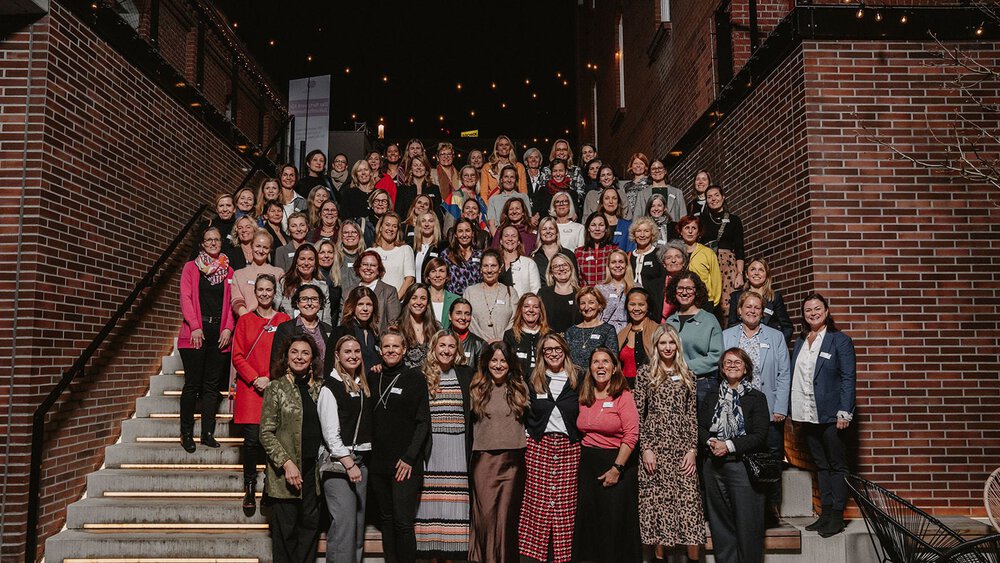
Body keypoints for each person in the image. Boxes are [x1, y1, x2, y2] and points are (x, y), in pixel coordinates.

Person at [635, 325, 705, 563]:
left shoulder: (687, 373)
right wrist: (645, 449)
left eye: (671, 343)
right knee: (656, 508)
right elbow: (638, 415)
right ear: (656, 345)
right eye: (662, 343)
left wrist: (692, 450)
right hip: (654, 447)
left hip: (682, 447)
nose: (667, 347)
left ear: (677, 345)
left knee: (690, 507)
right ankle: (658, 557)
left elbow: (692, 415)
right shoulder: (646, 373)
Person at [723, 290, 791, 527]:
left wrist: (781, 406)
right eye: (747, 307)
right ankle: (740, 509)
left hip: (768, 407)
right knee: (738, 457)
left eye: (757, 307)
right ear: (739, 311)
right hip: (735, 408)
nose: (752, 311)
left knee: (771, 457)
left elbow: (784, 374)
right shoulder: (727, 335)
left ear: (763, 312)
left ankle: (771, 510)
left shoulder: (775, 336)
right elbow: (721, 373)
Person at [792, 293, 856, 538]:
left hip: (832, 414)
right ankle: (826, 512)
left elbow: (848, 379)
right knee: (820, 465)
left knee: (837, 465)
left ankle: (838, 515)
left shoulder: (839, 340)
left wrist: (845, 411)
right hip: (808, 413)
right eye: (808, 310)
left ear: (827, 311)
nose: (813, 313)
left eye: (817, 308)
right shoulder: (801, 339)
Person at [699, 347, 770, 563]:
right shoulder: (712, 396)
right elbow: (700, 427)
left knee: (748, 525)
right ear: (721, 368)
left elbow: (759, 435)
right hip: (713, 466)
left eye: (737, 362)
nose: (732, 365)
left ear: (746, 368)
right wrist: (711, 442)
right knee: (721, 526)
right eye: (727, 362)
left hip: (742, 466)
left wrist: (728, 445)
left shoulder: (756, 397)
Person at [259, 334, 324, 563]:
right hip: (284, 473)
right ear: (286, 357)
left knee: (310, 527)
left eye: (305, 352)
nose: (299, 357)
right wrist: (287, 464)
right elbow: (265, 432)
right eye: (294, 352)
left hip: (313, 472)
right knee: (285, 533)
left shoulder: (320, 388)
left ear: (312, 358)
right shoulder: (276, 388)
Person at [572, 347, 641, 563]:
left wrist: (617, 468)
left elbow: (631, 434)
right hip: (588, 466)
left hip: (615, 465)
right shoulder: (585, 395)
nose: (600, 366)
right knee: (590, 523)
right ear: (590, 368)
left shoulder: (623, 395)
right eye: (595, 362)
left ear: (614, 368)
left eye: (605, 362)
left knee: (612, 524)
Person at [519, 333, 582, 563]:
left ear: (565, 350)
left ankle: (562, 557)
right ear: (542, 354)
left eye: (557, 349)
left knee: (565, 507)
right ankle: (533, 557)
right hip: (539, 446)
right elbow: (525, 412)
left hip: (569, 448)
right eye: (547, 350)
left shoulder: (578, 377)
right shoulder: (534, 378)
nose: (553, 353)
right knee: (536, 504)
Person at [369, 328, 430, 563]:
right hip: (378, 463)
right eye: (387, 347)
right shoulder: (372, 376)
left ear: (404, 350)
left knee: (403, 522)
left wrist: (409, 458)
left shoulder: (415, 378)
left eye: (396, 346)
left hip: (405, 463)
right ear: (380, 351)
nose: (391, 350)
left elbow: (423, 422)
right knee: (385, 518)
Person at [232, 273, 290, 512]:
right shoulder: (245, 321)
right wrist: (255, 378)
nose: (265, 294)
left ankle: (269, 487)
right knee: (252, 440)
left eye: (269, 290)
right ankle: (248, 487)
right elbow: (237, 355)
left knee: (274, 440)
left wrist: (270, 377)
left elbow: (288, 355)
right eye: (261, 290)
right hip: (251, 389)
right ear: (255, 293)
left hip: (274, 387)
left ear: (274, 292)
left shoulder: (284, 319)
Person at [468, 342, 529, 563]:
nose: (498, 365)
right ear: (486, 363)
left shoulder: (521, 387)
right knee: (484, 518)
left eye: (503, 360)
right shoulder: (476, 387)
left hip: (512, 461)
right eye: (494, 360)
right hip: (483, 460)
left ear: (510, 364)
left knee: (505, 519)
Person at [415, 331, 474, 559]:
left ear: (457, 350)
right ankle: (431, 552)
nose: (447, 350)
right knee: (430, 504)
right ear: (434, 348)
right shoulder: (422, 375)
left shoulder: (466, 374)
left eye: (451, 346)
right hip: (432, 448)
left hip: (458, 447)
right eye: (442, 345)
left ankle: (454, 553)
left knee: (455, 504)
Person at [177, 226, 234, 453]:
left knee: (211, 387)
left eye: (216, 239)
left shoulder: (229, 271)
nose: (212, 243)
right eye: (208, 239)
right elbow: (186, 297)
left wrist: (229, 328)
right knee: (193, 385)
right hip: (195, 333)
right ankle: (186, 433)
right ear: (202, 244)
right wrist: (195, 326)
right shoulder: (191, 268)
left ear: (221, 243)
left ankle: (207, 433)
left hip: (219, 334)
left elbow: (231, 303)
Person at [319, 335, 373, 563]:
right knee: (344, 527)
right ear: (337, 356)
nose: (353, 356)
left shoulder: (360, 384)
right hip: (339, 465)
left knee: (358, 528)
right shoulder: (329, 387)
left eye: (357, 351)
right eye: (347, 352)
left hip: (361, 460)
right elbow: (331, 435)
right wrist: (349, 463)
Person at [664, 271, 724, 406]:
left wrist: (683, 366)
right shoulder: (670, 321)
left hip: (701, 386)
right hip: (673, 383)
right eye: (680, 288)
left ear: (696, 291)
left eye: (689, 288)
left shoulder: (708, 320)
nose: (684, 292)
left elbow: (717, 356)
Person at [700, 185, 746, 325]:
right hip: (708, 264)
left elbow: (739, 248)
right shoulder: (701, 220)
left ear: (723, 197)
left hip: (727, 266)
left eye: (716, 195)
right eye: (709, 197)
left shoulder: (734, 220)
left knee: (728, 304)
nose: (713, 199)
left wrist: (740, 273)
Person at [727, 258, 794, 342]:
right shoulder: (736, 296)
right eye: (753, 269)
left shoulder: (775, 297)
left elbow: (787, 327)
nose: (757, 273)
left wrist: (778, 345)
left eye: (761, 270)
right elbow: (732, 325)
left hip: (769, 344)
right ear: (747, 274)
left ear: (766, 275)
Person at [270, 284, 333, 373]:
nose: (309, 303)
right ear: (297, 303)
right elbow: (277, 361)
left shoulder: (328, 329)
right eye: (304, 299)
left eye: (314, 299)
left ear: (320, 303)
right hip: (295, 383)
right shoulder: (286, 328)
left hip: (324, 383)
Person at [463, 249, 518, 343]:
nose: (489, 270)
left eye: (493, 266)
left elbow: (515, 319)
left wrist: (500, 340)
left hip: (503, 346)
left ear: (500, 268)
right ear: (480, 269)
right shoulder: (470, 292)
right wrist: (484, 341)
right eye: (485, 266)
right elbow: (469, 320)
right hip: (478, 345)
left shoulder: (510, 292)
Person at [328, 286, 381, 380]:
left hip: (372, 387)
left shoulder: (374, 333)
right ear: (352, 306)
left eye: (369, 304)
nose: (365, 309)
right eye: (360, 304)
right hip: (349, 387)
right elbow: (329, 366)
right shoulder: (340, 332)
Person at [230, 230, 285, 317]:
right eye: (258, 246)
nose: (261, 250)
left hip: (272, 323)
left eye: (265, 247)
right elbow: (237, 301)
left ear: (270, 250)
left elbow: (282, 302)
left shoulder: (278, 273)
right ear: (251, 246)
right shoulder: (239, 274)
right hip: (248, 322)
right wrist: (250, 320)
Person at [276, 244, 334, 325]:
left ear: (315, 263)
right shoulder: (284, 283)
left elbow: (326, 319)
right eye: (302, 259)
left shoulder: (322, 287)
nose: (306, 263)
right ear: (296, 261)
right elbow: (274, 311)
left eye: (310, 259)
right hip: (288, 332)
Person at [564, 286, 619, 369]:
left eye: (591, 302)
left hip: (598, 378)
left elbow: (612, 359)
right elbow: (566, 360)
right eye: (583, 303)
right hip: (574, 378)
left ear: (599, 305)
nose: (586, 307)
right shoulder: (571, 331)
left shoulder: (608, 330)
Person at [677, 215, 722, 311]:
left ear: (698, 232)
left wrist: (714, 303)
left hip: (704, 303)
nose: (690, 231)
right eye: (686, 228)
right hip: (682, 301)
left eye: (694, 228)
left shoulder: (708, 253)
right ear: (681, 231)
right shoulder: (676, 253)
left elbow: (716, 279)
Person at [617, 288, 659, 386]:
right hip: (625, 388)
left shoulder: (657, 331)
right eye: (632, 304)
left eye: (641, 304)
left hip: (651, 387)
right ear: (627, 306)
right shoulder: (622, 334)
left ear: (648, 307)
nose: (636, 309)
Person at [352, 250, 401, 335]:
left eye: (373, 265)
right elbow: (343, 320)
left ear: (378, 270)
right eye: (364, 264)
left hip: (379, 342)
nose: (368, 268)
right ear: (359, 267)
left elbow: (393, 323)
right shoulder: (348, 291)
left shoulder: (389, 291)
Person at [503, 293, 548, 377]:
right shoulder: (510, 335)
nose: (531, 310)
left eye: (535, 307)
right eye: (526, 306)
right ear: (520, 309)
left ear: (540, 311)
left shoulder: (548, 335)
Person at [395, 283, 441, 369]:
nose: (418, 302)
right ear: (408, 301)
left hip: (431, 378)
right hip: (405, 377)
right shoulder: (397, 328)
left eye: (423, 298)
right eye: (414, 298)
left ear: (428, 303)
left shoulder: (437, 327)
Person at [372, 212, 415, 299]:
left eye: (394, 226)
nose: (390, 229)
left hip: (398, 302)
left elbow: (410, 279)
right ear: (380, 227)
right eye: (387, 225)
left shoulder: (405, 250)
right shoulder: (371, 251)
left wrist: (395, 300)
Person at [537, 254, 583, 333]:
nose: (561, 269)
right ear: (551, 272)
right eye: (556, 266)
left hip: (575, 341)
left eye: (564, 265)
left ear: (571, 268)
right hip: (550, 341)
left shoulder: (581, 293)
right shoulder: (543, 294)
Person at [531, 216, 579, 289]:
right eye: (544, 229)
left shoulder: (568, 254)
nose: (548, 231)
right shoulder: (534, 257)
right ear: (540, 233)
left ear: (556, 232)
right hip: (542, 297)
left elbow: (575, 280)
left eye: (551, 228)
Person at [440, 218, 484, 296]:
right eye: (460, 231)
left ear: (472, 233)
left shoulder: (480, 255)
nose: (464, 235)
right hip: (454, 299)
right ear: (456, 234)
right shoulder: (446, 254)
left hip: (476, 298)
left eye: (467, 231)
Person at [596, 248, 636, 332]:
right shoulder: (599, 288)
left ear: (626, 265)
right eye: (613, 262)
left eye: (621, 262)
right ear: (608, 266)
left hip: (629, 331)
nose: (617, 265)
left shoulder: (636, 288)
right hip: (605, 332)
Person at [395, 155, 443, 225]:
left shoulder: (434, 189)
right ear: (411, 169)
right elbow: (398, 214)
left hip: (429, 228)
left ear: (426, 168)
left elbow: (438, 214)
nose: (418, 168)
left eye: (421, 165)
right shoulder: (402, 189)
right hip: (407, 228)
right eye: (415, 165)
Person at [575, 213, 618, 287]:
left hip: (608, 295)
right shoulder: (579, 252)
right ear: (588, 228)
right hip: (587, 295)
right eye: (593, 225)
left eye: (601, 225)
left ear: (606, 228)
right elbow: (577, 279)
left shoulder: (613, 250)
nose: (597, 229)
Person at [649, 241, 688, 323]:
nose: (673, 260)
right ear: (663, 263)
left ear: (684, 262)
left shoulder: (691, 282)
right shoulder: (654, 285)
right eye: (668, 258)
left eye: (677, 257)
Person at [498, 224, 541, 297]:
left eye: (514, 236)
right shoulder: (495, 263)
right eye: (506, 236)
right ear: (501, 241)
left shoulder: (529, 263)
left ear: (518, 242)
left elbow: (535, 290)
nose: (510, 239)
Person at [481, 135, 528, 201]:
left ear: (510, 148)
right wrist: (488, 209)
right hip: (494, 204)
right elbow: (483, 193)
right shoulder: (487, 167)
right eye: (501, 145)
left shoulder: (519, 167)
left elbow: (523, 192)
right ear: (496, 149)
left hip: (514, 205)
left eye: (507, 145)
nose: (504, 147)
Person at [531, 158, 576, 226]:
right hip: (547, 228)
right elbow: (537, 211)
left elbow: (575, 213)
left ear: (566, 172)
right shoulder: (543, 191)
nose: (558, 174)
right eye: (555, 171)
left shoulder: (572, 193)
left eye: (561, 170)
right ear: (551, 172)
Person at [487, 164, 532, 231]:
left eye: (512, 177)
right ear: (501, 180)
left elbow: (528, 220)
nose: (509, 180)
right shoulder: (493, 199)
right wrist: (497, 240)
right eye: (506, 177)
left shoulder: (523, 197)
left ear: (516, 180)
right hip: (500, 236)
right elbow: (492, 224)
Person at [629, 217, 666, 291]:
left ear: (652, 234)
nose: (642, 235)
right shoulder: (629, 256)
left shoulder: (659, 254)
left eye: (646, 231)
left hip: (653, 299)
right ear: (634, 234)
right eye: (638, 231)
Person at [423, 257, 459, 329]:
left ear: (447, 276)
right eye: (433, 271)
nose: (437, 275)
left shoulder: (455, 299)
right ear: (428, 276)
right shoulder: (422, 297)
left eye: (441, 271)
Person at [448, 298, 486, 365]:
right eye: (458, 313)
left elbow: (481, 373)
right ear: (450, 316)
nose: (463, 318)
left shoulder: (479, 344)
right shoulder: (439, 340)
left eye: (467, 314)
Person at [598, 186, 635, 253]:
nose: (611, 201)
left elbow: (630, 251)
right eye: (607, 198)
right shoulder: (595, 225)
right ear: (602, 202)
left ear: (618, 203)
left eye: (614, 198)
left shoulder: (627, 225)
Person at [411, 211, 444, 283]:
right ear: (419, 224)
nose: (426, 224)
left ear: (435, 224)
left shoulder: (442, 247)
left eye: (430, 221)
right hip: (414, 292)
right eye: (423, 221)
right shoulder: (411, 247)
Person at [619, 152, 652, 221]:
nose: (638, 166)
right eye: (635, 163)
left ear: (645, 166)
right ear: (631, 166)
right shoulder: (626, 186)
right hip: (630, 220)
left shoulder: (650, 183)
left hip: (647, 219)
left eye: (641, 163)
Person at [278, 164, 309, 232]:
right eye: (285, 175)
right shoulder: (274, 199)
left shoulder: (303, 202)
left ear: (296, 178)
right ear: (280, 177)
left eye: (292, 175)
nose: (288, 178)